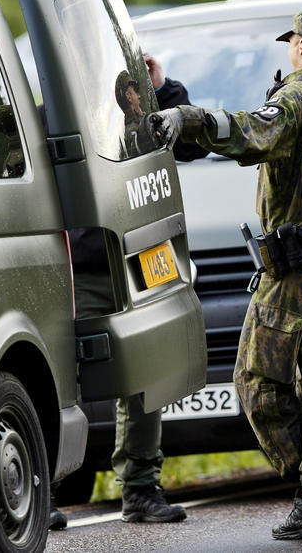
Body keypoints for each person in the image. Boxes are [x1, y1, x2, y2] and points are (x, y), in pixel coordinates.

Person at [150, 9, 302, 540]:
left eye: (291, 42)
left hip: (300, 262)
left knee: (256, 380)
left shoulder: (296, 99)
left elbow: (248, 133)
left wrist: (187, 119)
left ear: (301, 45)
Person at [48, 53, 203, 530]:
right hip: (78, 267)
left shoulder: (138, 117)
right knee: (55, 378)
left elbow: (192, 144)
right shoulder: (47, 115)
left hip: (136, 257)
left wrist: (163, 88)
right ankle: (39, 491)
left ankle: (140, 487)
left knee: (145, 370)